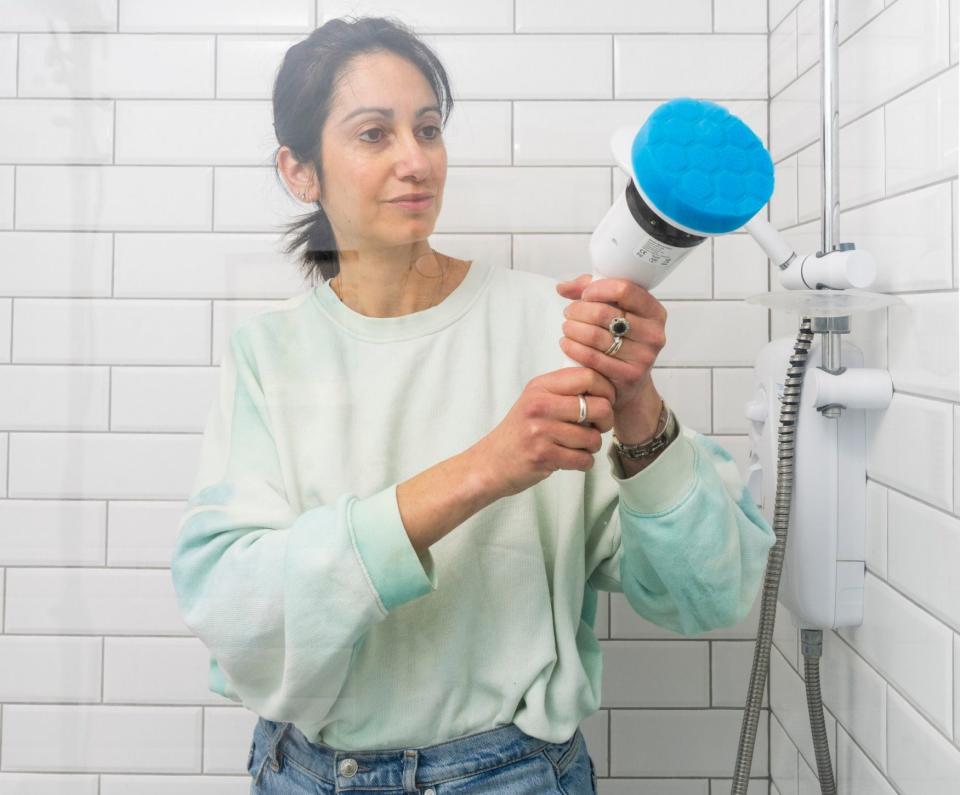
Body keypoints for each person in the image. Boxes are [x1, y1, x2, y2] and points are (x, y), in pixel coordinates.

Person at [169, 16, 776, 795]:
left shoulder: (554, 328)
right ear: (301, 171)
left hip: (510, 775)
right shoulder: (269, 357)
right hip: (305, 773)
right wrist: (484, 468)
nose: (415, 160)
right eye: (373, 134)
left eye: (427, 128)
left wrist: (638, 409)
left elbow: (710, 593)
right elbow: (230, 599)